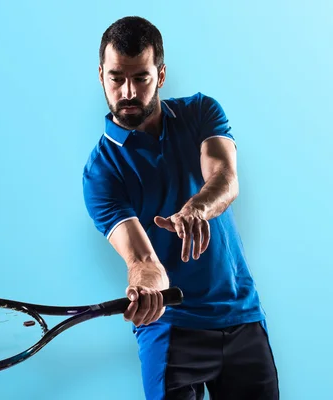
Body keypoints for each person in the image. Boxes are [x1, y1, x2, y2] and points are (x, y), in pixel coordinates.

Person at [82, 16, 279, 400]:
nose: (127, 91)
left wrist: (198, 209)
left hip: (242, 318)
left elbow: (225, 177)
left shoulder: (201, 112)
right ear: (101, 75)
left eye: (141, 78)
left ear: (161, 74)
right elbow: (141, 258)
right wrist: (147, 286)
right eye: (116, 77)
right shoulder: (101, 173)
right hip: (171, 327)